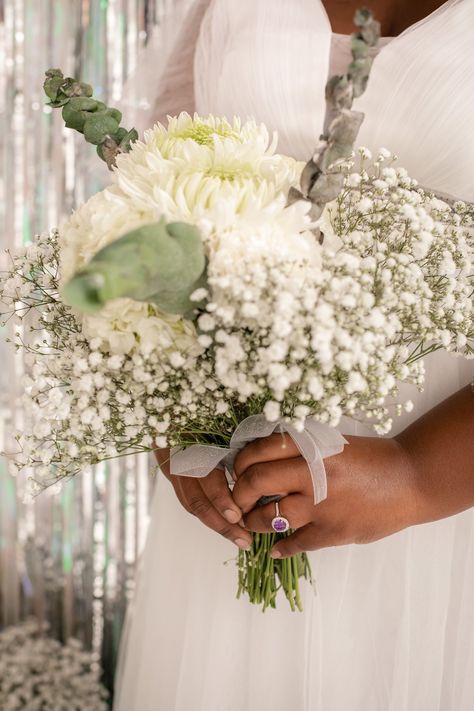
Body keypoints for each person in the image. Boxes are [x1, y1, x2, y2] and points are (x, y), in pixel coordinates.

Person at [114, 1, 474, 709]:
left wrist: (413, 477)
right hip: (234, 482)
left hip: (448, 513)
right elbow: (149, 202)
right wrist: (175, 422)